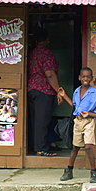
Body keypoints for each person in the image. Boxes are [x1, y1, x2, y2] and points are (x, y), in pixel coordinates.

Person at [27, 28, 62, 157]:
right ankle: (41, 148)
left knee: (36, 120)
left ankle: (38, 145)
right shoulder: (47, 54)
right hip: (44, 90)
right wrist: (58, 90)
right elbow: (50, 74)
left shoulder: (31, 53)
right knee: (42, 121)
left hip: (31, 89)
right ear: (47, 40)